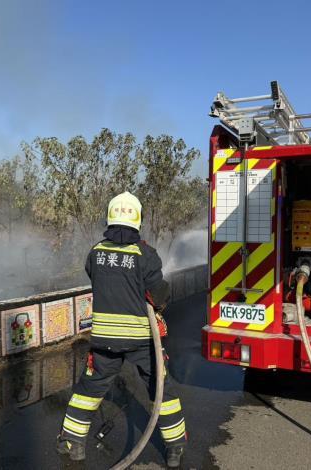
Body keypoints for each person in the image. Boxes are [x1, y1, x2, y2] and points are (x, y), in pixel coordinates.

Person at [57, 191, 187, 468]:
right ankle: (175, 447)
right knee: (161, 389)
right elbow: (158, 295)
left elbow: (98, 278)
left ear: (110, 217)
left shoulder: (96, 252)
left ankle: (72, 443)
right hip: (141, 341)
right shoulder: (145, 254)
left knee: (89, 389)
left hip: (105, 341)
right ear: (138, 219)